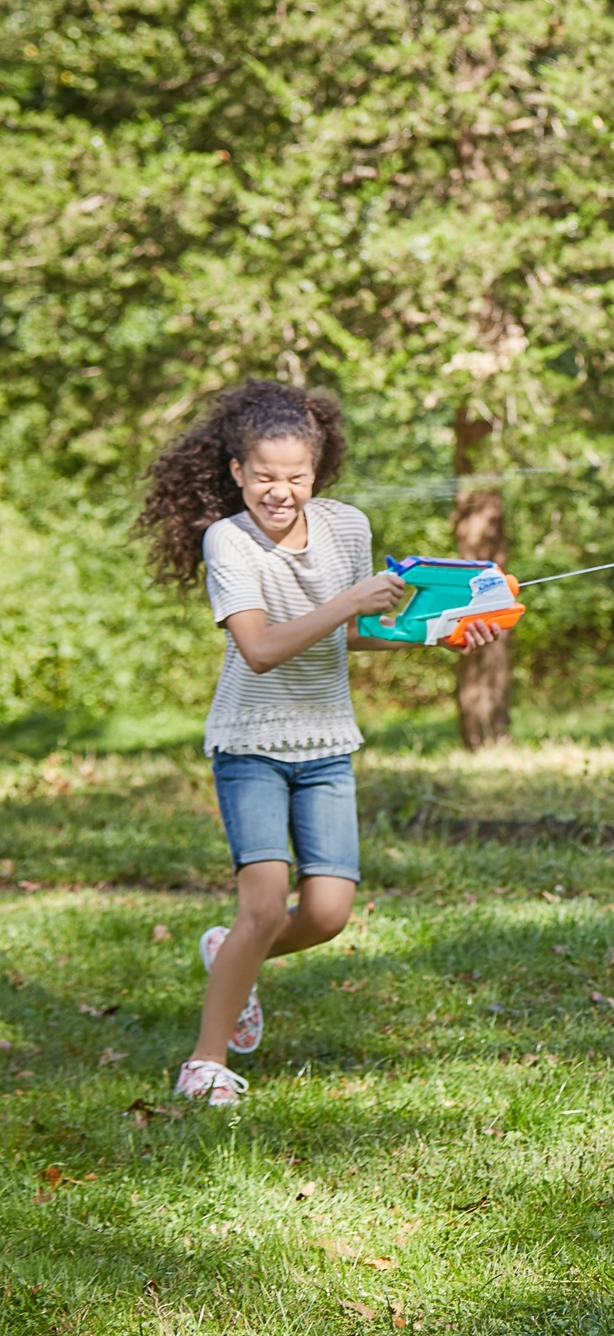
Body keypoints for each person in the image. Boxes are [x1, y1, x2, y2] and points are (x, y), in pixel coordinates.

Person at [137, 380, 504, 1105]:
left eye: (296, 477)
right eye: (265, 477)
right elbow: (263, 647)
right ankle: (204, 1063)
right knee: (266, 905)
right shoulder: (228, 540)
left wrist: (442, 634)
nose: (281, 492)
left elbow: (354, 634)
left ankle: (230, 955)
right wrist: (347, 602)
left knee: (330, 912)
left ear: (318, 469)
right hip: (251, 744)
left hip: (328, 740)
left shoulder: (347, 528)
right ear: (238, 471)